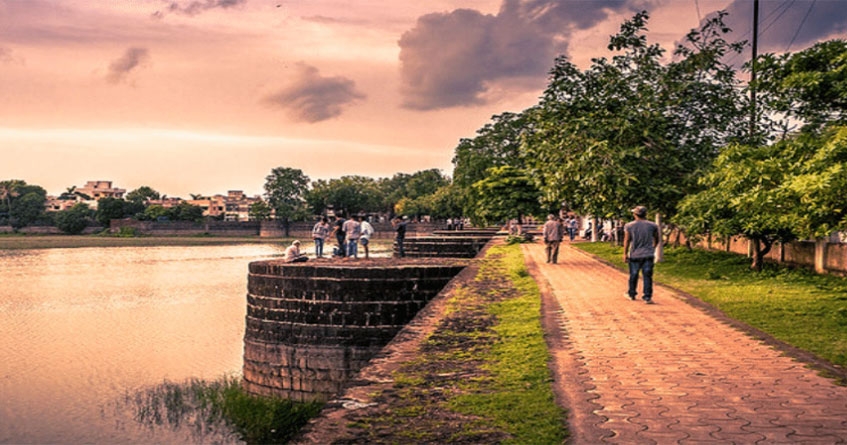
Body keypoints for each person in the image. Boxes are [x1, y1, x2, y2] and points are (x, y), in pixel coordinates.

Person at [623, 205, 660, 304]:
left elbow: (627, 240)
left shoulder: (629, 226)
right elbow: (657, 239)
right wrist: (653, 247)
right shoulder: (653, 225)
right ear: (645, 214)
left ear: (635, 214)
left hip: (635, 254)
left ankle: (632, 294)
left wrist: (625, 253)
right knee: (647, 275)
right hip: (648, 254)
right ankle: (647, 297)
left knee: (634, 274)